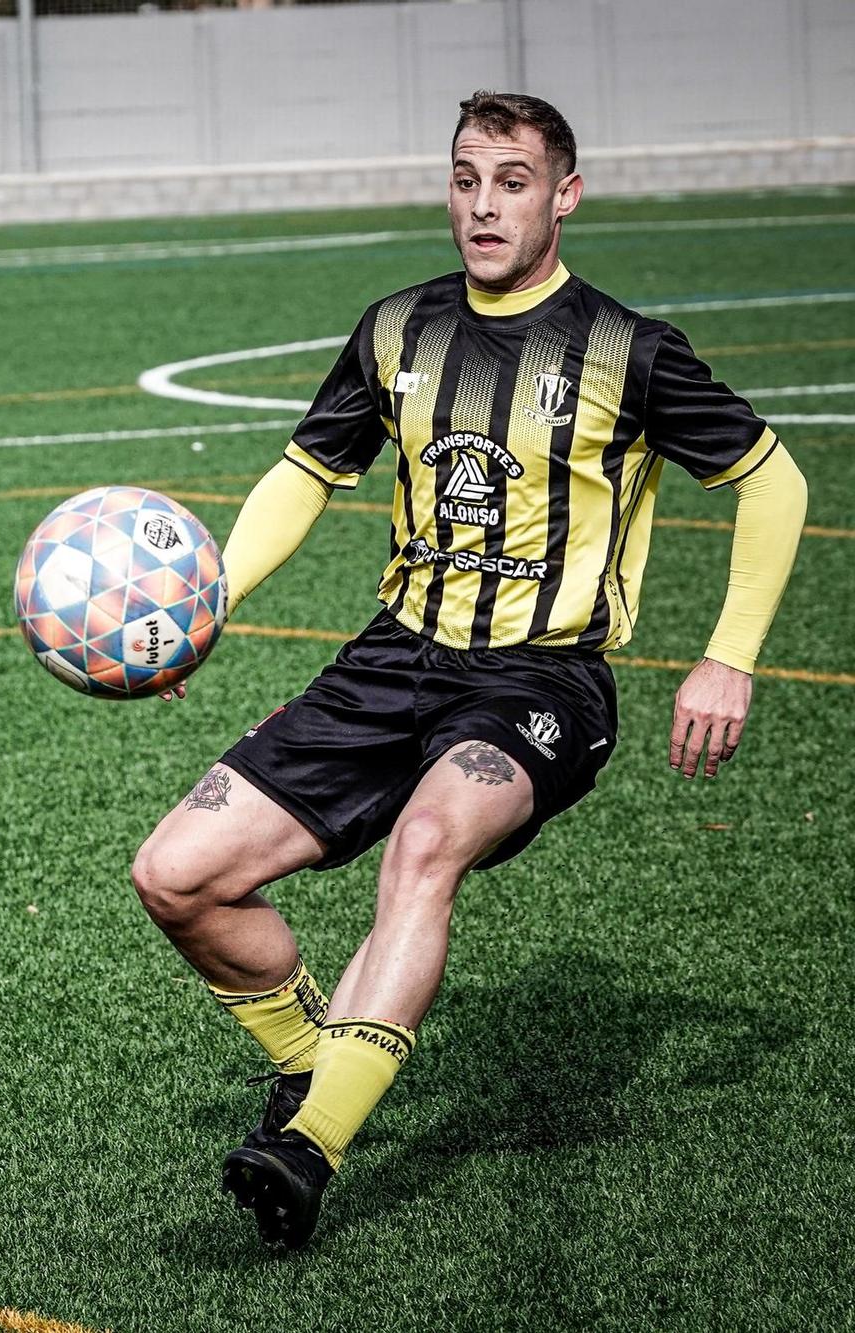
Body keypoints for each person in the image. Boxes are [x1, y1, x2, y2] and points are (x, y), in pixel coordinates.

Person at [130, 90, 808, 1251]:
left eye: (509, 180)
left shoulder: (624, 349)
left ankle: (305, 1148)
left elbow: (771, 480)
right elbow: (306, 472)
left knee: (425, 843)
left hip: (539, 684)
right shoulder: (395, 327)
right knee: (175, 873)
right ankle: (314, 1065)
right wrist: (206, 608)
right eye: (463, 178)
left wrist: (725, 660)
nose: (482, 204)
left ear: (563, 195)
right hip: (392, 659)